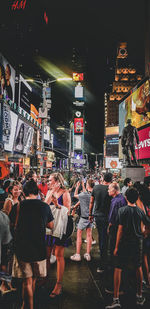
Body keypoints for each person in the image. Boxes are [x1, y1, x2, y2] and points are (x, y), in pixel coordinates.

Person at [106, 188, 150, 309]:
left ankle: (116, 299)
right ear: (136, 198)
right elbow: (148, 224)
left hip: (124, 243)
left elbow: (120, 229)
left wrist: (116, 246)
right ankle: (139, 296)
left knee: (118, 268)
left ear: (126, 198)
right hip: (137, 243)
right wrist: (144, 233)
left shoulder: (122, 210)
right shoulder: (140, 212)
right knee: (138, 267)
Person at [12, 179, 54, 309]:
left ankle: (27, 306)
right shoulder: (45, 206)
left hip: (23, 248)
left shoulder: (18, 206)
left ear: (24, 193)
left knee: (27, 281)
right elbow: (51, 225)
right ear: (37, 192)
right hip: (39, 248)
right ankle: (27, 305)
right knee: (34, 279)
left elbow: (13, 225)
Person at [45, 172, 71, 298]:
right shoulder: (49, 192)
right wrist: (50, 195)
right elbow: (45, 207)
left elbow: (68, 210)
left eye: (50, 180)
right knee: (47, 254)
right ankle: (45, 278)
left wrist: (56, 204)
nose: (48, 182)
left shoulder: (65, 193)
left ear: (57, 181)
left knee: (59, 255)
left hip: (60, 228)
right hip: (49, 227)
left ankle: (59, 284)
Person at [89, 172, 112, 273]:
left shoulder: (96, 188)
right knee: (107, 239)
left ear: (103, 178)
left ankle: (103, 260)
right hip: (108, 217)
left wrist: (90, 214)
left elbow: (91, 202)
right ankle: (105, 263)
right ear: (111, 180)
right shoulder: (111, 189)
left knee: (102, 237)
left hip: (98, 216)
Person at [70, 178, 95, 262]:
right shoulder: (94, 194)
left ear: (87, 185)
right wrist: (84, 186)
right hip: (91, 217)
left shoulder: (83, 195)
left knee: (79, 235)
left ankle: (77, 254)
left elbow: (75, 195)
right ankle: (87, 254)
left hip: (83, 217)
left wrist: (77, 187)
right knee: (89, 235)